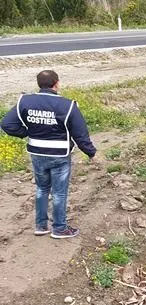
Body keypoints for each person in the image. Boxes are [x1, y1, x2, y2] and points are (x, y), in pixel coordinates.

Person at [1, 70, 96, 239]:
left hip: (37, 153)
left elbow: (7, 124)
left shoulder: (25, 101)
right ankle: (59, 228)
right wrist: (91, 153)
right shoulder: (68, 105)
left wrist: (26, 132)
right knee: (59, 192)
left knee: (41, 188)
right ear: (56, 83)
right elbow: (80, 134)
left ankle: (41, 225)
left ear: (39, 84)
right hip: (60, 156)